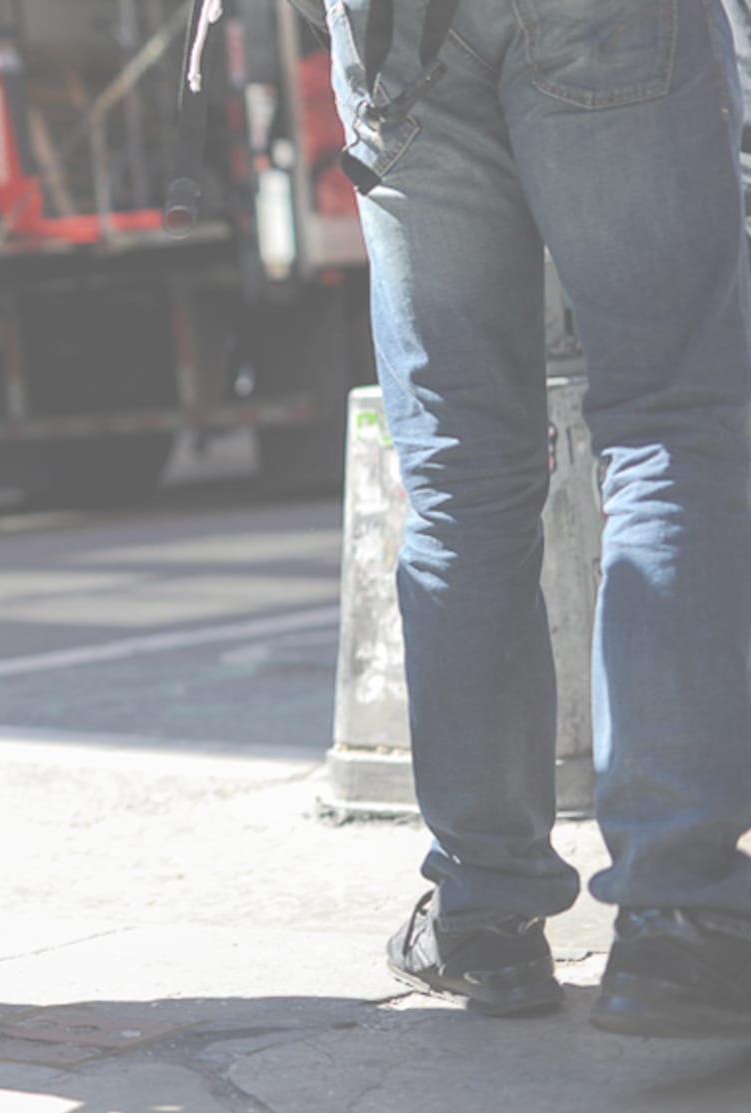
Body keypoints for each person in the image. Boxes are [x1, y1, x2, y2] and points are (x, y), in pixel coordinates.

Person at [296, 0, 751, 1035]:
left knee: (459, 475)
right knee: (668, 425)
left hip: (395, 35)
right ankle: (679, 909)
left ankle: (483, 912)